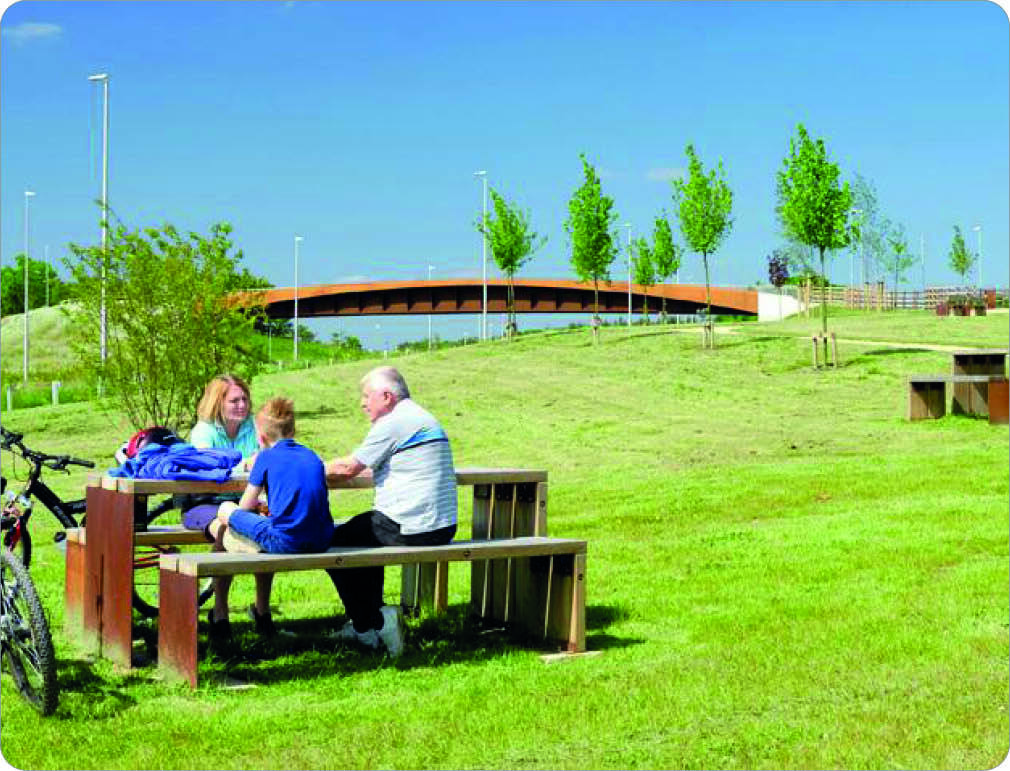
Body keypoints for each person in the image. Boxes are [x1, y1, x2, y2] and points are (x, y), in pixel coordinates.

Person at [324, 366, 457, 658]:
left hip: (411, 527)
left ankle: (371, 623)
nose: (362, 403)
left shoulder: (394, 422)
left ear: (386, 397)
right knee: (363, 535)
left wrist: (301, 469)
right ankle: (372, 621)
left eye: (366, 396)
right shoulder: (423, 417)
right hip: (441, 528)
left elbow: (347, 469)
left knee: (329, 543)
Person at [206, 397, 334, 641]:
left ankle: (220, 613)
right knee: (255, 524)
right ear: (293, 430)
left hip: (286, 541)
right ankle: (260, 613)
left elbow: (244, 508)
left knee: (225, 510)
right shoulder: (313, 456)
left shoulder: (265, 457)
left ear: (261, 437)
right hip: (323, 540)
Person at [182, 374, 259, 537]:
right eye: (234, 401)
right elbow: (208, 467)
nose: (242, 405)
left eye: (245, 399)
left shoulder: (256, 426)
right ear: (218, 403)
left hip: (247, 501)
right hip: (206, 502)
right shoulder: (203, 431)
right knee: (231, 532)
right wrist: (246, 465)